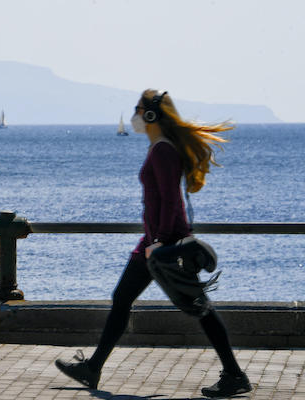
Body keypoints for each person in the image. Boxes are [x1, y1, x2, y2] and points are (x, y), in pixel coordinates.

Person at [54, 89, 252, 398]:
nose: (134, 115)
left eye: (138, 109)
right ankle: (92, 368)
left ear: (150, 115)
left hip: (164, 244)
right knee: (123, 298)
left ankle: (235, 374)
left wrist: (158, 242)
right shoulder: (159, 148)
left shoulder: (162, 151)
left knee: (200, 307)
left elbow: (171, 200)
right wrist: (154, 240)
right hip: (155, 242)